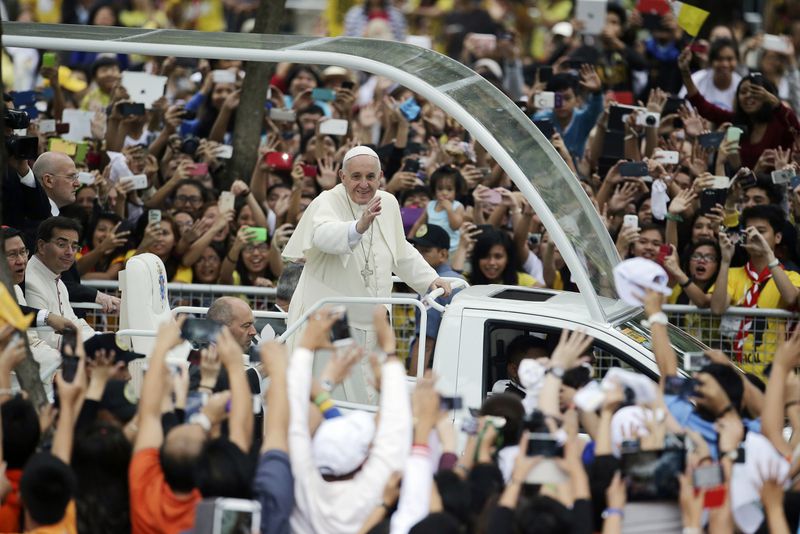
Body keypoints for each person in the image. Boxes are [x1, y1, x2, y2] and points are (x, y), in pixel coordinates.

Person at [282, 145, 451, 351]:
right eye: (356, 176)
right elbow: (322, 236)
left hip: (374, 321)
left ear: (380, 176)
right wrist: (357, 227)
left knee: (369, 381)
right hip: (331, 322)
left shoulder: (387, 202)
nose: (364, 184)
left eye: (370, 176)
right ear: (342, 176)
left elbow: (400, 249)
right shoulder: (327, 200)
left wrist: (430, 279)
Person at [710, 205, 800, 379]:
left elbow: (790, 297)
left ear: (778, 237)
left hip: (776, 376)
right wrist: (725, 261)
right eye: (749, 232)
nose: (754, 237)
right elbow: (717, 308)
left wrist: (768, 253)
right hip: (737, 374)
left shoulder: (791, 276)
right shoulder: (732, 274)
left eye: (761, 231)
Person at [23, 217, 97, 349]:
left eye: (74, 247)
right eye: (62, 245)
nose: (70, 252)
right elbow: (45, 338)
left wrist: (98, 337)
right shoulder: (30, 280)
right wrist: (96, 341)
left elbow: (74, 322)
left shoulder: (58, 281)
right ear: (41, 246)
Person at [407, 224, 463, 372]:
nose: (418, 256)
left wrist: (413, 385)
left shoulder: (434, 285)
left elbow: (425, 344)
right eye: (416, 251)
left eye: (425, 251)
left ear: (443, 254)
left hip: (436, 369)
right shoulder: (459, 280)